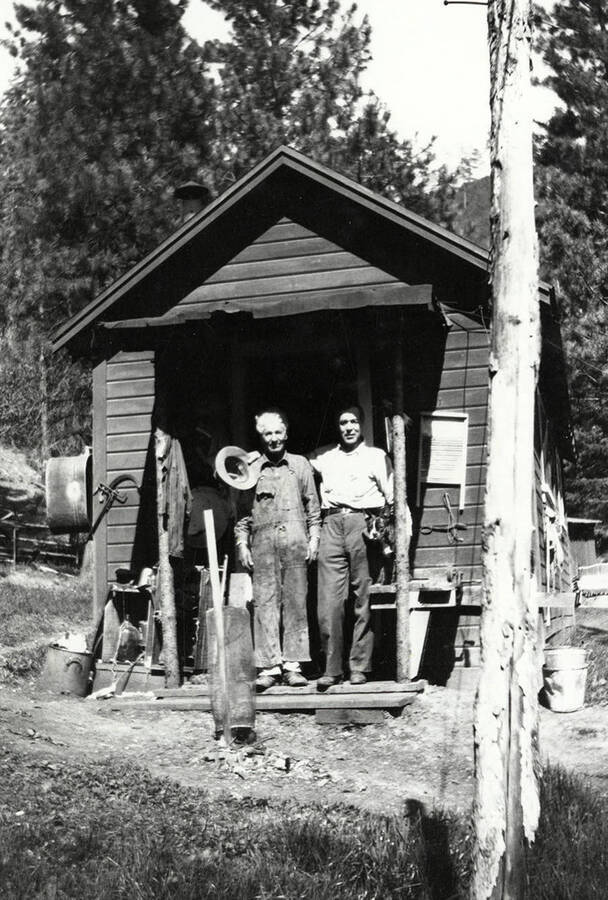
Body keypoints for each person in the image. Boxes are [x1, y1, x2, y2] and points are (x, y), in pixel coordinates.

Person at [235, 409, 321, 691]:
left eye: (277, 433)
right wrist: (242, 544)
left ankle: (293, 667)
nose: (273, 439)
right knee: (265, 604)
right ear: (262, 437)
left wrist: (314, 539)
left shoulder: (300, 465)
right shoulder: (251, 468)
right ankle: (269, 668)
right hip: (262, 546)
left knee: (296, 603)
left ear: (286, 434)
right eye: (267, 434)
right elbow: (243, 514)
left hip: (295, 542)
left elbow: (313, 508)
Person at [310, 404, 393, 690]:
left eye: (354, 422)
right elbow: (293, 463)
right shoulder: (324, 458)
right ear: (337, 426)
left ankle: (359, 666)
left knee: (363, 597)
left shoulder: (375, 456)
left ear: (362, 425)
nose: (348, 427)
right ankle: (332, 669)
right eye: (343, 422)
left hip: (363, 524)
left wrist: (390, 532)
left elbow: (392, 495)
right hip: (331, 524)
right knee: (329, 601)